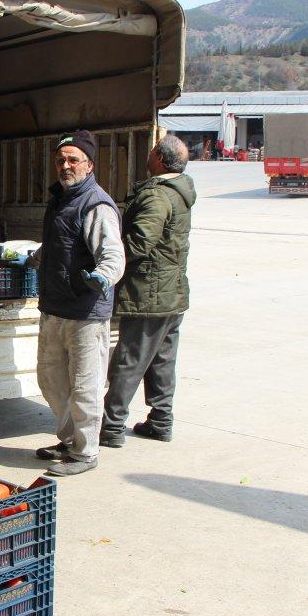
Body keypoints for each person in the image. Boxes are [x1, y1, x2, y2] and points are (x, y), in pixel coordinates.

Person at [31, 130, 125, 477]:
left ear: (89, 164)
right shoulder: (60, 200)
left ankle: (86, 452)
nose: (65, 165)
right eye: (61, 160)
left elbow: (113, 252)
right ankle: (70, 439)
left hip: (86, 314)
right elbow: (60, 243)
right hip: (54, 308)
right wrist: (34, 258)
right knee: (50, 380)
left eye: (73, 160)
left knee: (85, 386)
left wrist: (104, 275)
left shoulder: (96, 204)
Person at [99, 135, 196, 447]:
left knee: (129, 359)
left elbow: (140, 242)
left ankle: (112, 427)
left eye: (153, 149)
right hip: (173, 293)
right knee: (162, 360)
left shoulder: (157, 196)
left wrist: (107, 257)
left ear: (160, 159)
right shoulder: (181, 193)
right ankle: (161, 421)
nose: (149, 152)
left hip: (150, 294)